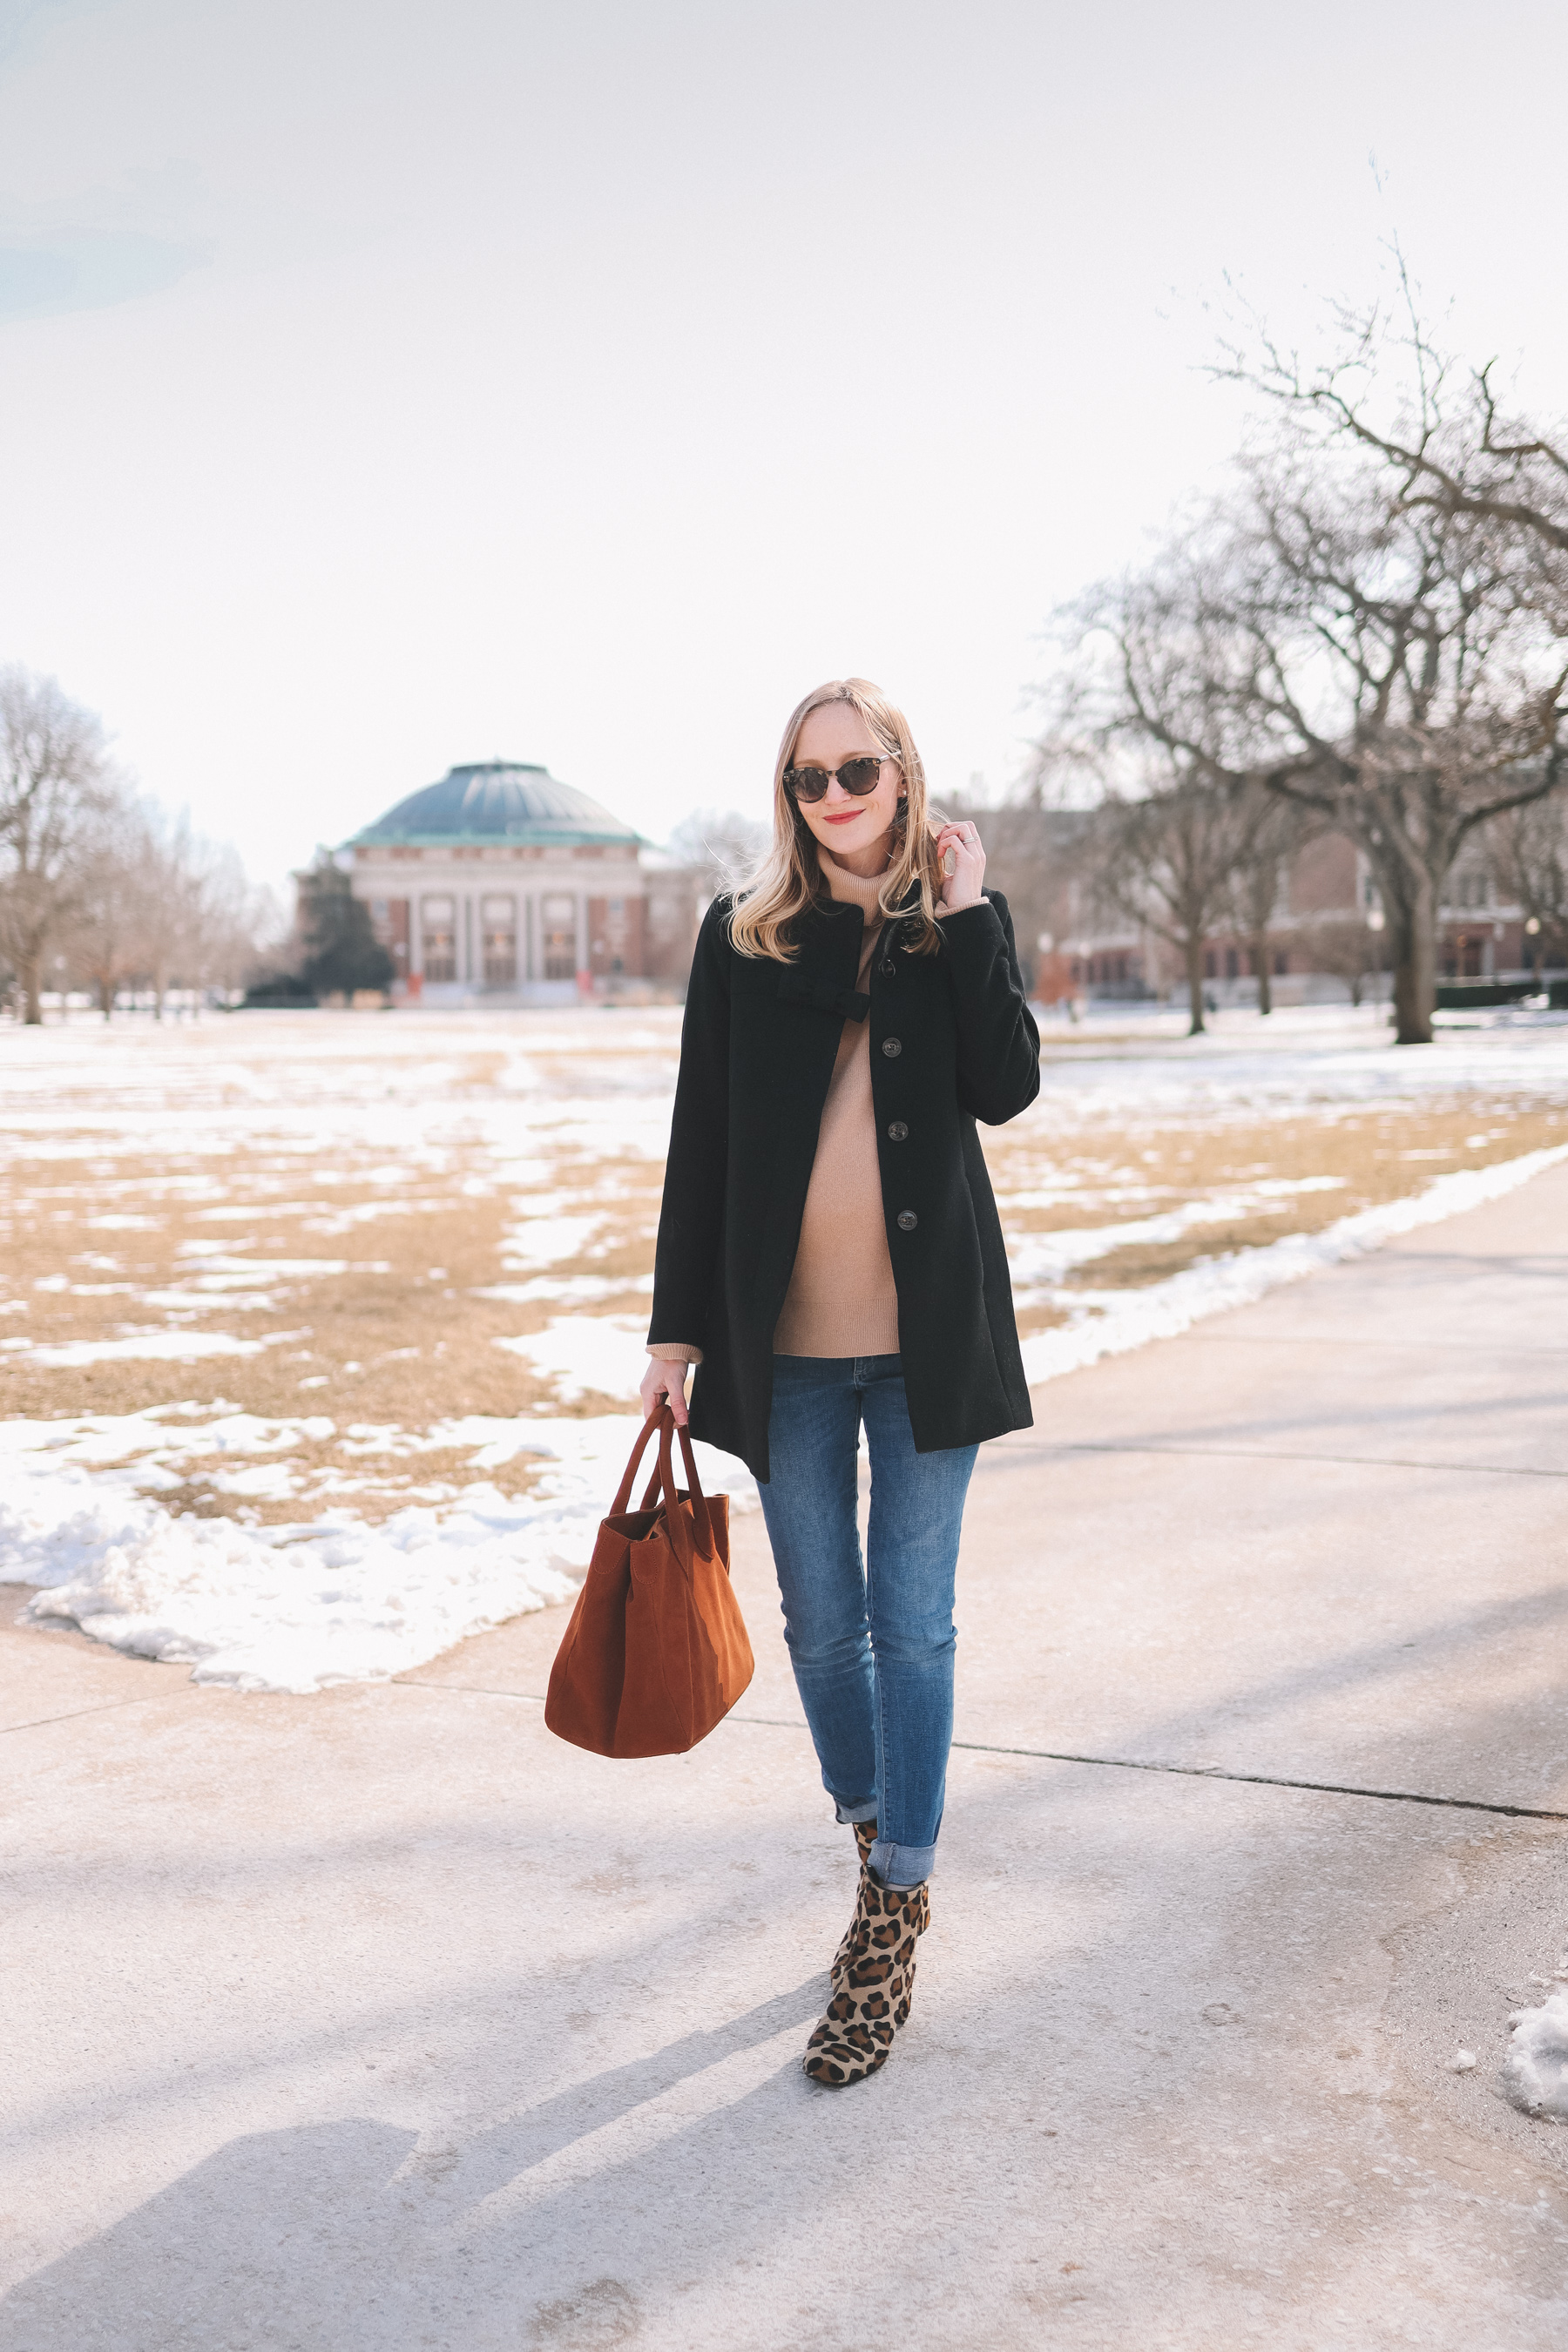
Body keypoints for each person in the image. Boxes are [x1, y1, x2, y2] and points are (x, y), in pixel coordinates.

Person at [641, 678, 1039, 2086]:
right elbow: (702, 1139)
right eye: (807, 779)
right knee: (821, 1630)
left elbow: (1007, 1089)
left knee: (911, 1628)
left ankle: (894, 1904)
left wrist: (977, 916)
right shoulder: (745, 938)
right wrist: (674, 1335)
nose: (833, 797)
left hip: (929, 1345)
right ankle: (882, 1842)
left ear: (902, 773)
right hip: (787, 1348)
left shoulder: (950, 929)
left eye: (856, 768)